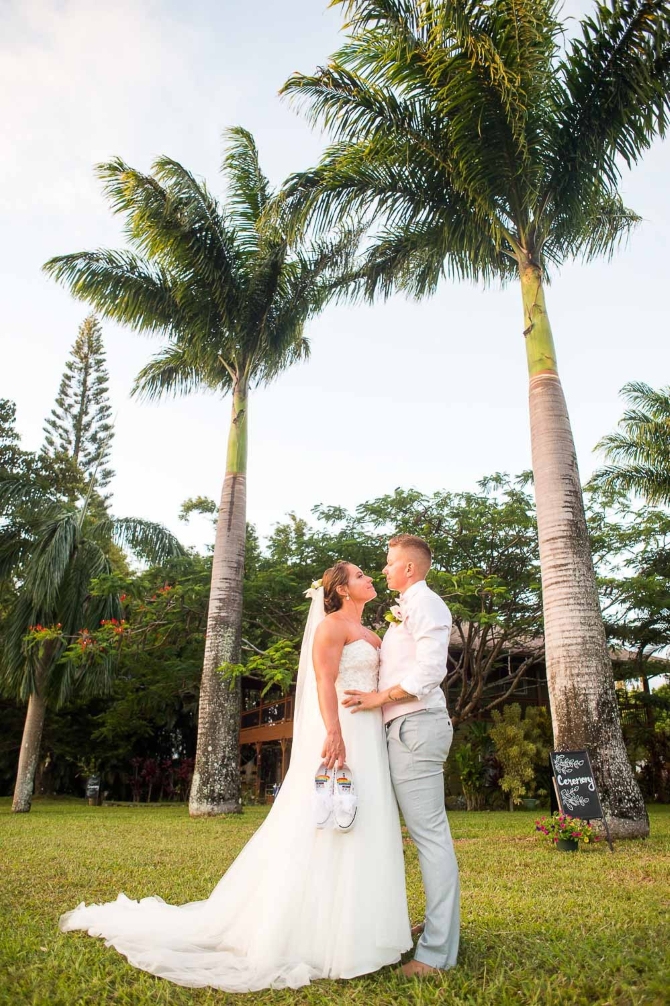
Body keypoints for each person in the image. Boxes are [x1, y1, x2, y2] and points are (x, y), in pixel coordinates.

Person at [58, 562, 411, 992]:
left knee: (364, 820)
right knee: (326, 823)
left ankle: (363, 928)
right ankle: (316, 935)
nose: (370, 578)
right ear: (339, 590)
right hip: (342, 729)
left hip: (370, 733)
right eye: (359, 576)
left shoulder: (374, 634)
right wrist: (334, 733)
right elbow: (323, 681)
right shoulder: (331, 628)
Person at [342, 533, 460, 976]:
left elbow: (431, 671)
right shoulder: (405, 608)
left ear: (409, 568)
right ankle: (432, 928)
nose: (384, 569)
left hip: (417, 725)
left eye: (390, 563)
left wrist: (379, 698)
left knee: (430, 838)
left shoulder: (426, 603)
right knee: (417, 836)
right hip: (402, 727)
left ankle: (436, 953)